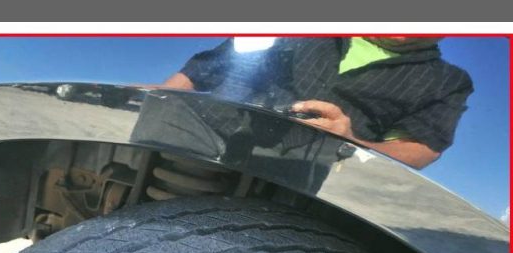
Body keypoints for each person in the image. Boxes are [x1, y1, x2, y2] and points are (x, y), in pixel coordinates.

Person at [163, 37, 473, 169]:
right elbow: (203, 70)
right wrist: (151, 100)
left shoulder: (449, 81)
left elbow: (420, 149)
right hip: (199, 141)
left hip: (305, 184)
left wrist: (351, 141)